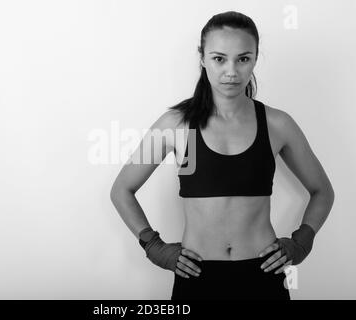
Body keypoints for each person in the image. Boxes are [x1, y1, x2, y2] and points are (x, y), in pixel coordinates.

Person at [110, 11, 335, 300]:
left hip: (263, 273)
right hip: (196, 273)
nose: (231, 71)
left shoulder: (277, 124)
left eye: (243, 59)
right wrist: (153, 246)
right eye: (219, 58)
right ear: (202, 57)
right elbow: (122, 190)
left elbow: (322, 191)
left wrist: (302, 241)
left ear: (255, 58)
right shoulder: (177, 124)